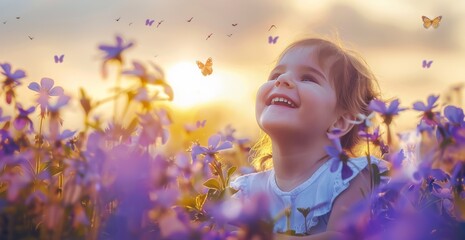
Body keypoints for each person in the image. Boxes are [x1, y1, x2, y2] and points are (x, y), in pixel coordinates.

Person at [230, 37, 389, 240]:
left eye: (308, 78)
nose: (282, 80)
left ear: (340, 121)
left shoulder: (351, 177)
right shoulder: (247, 190)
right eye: (276, 74)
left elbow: (344, 236)